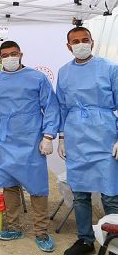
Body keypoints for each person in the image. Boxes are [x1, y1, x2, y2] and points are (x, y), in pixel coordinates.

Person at [0, 40, 60, 252]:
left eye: (13, 53)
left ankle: (41, 232)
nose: (9, 58)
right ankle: (14, 227)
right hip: (5, 142)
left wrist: (49, 136)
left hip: (32, 141)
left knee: (38, 189)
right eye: (5, 55)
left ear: (21, 54)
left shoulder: (37, 78)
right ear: (0, 58)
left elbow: (50, 107)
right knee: (9, 186)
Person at [56, 27, 118, 255]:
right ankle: (85, 239)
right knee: (80, 192)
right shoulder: (64, 72)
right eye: (75, 41)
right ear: (68, 46)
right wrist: (62, 136)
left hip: (104, 134)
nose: (80, 44)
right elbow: (61, 107)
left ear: (92, 42)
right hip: (76, 135)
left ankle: (114, 241)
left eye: (84, 40)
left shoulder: (110, 68)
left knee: (110, 193)